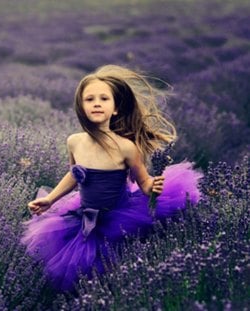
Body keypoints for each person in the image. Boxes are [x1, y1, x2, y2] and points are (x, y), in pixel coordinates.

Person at [21, 64, 202, 292]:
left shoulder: (126, 147)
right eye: (90, 99)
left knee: (113, 267)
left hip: (117, 216)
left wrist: (151, 186)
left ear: (115, 108)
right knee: (78, 273)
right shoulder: (74, 141)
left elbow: (142, 180)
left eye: (104, 98)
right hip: (83, 215)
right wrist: (51, 199)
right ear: (81, 107)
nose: (97, 103)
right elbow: (75, 175)